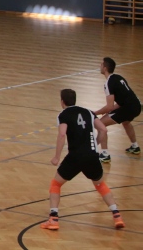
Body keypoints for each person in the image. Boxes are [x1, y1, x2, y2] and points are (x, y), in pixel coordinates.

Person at [41, 88, 125, 231]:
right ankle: (117, 215)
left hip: (75, 157)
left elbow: (62, 134)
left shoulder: (63, 115)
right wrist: (95, 144)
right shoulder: (88, 112)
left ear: (62, 101)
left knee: (56, 184)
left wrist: (56, 157)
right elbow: (103, 130)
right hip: (92, 156)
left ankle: (53, 219)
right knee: (100, 185)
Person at [93, 57, 141, 162]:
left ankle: (104, 154)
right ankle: (135, 146)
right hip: (137, 106)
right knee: (126, 122)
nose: (100, 66)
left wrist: (94, 113)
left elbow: (109, 106)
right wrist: (108, 111)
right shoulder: (119, 77)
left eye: (101, 64)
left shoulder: (108, 83)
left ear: (105, 68)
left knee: (101, 124)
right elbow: (120, 102)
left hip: (128, 108)